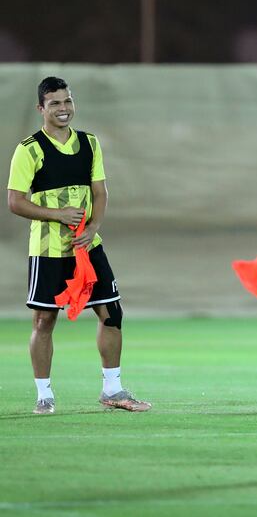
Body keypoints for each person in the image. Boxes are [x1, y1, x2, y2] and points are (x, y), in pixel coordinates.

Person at [7, 76, 150, 414]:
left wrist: (93, 227)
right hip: (48, 251)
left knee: (111, 312)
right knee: (44, 321)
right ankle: (44, 394)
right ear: (41, 108)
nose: (64, 108)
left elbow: (100, 193)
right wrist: (57, 214)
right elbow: (14, 202)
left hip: (87, 246)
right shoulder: (29, 149)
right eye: (55, 103)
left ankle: (112, 390)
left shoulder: (89, 143)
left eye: (68, 101)